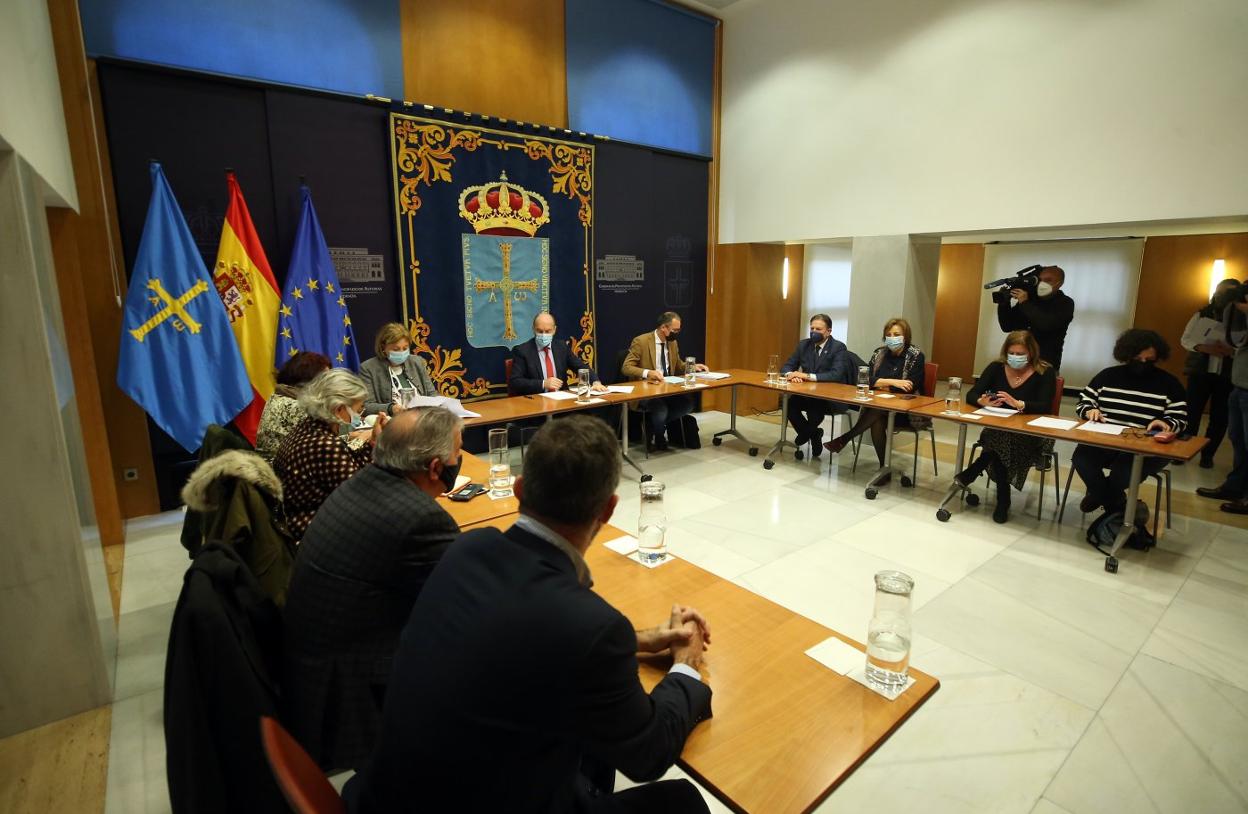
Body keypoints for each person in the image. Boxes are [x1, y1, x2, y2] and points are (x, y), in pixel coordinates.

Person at [346, 416, 713, 813]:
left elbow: (524, 636)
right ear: (608, 509)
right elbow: (648, 755)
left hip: (390, 795)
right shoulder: (592, 626)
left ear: (520, 489)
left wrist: (636, 641)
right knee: (683, 800)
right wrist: (686, 666)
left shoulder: (467, 549)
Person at [283, 407, 462, 771]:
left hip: (311, 665)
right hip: (352, 689)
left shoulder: (363, 482)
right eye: (457, 454)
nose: (458, 461)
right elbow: (465, 601)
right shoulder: (420, 518)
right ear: (434, 468)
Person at [1073, 329, 1187, 524]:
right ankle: (1117, 503)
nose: (1142, 364)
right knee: (1082, 459)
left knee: (1125, 471)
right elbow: (1084, 402)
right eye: (1137, 359)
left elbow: (1180, 418)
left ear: (1157, 357)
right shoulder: (1107, 376)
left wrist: (1166, 423)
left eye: (1149, 360)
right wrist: (1090, 410)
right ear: (1126, 355)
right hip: (1106, 439)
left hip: (1145, 447)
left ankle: (1100, 496)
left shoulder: (1169, 383)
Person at [949, 331, 1058, 523]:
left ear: (1031, 353)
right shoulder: (996, 368)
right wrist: (982, 402)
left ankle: (976, 470)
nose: (1015, 357)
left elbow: (1045, 406)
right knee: (1000, 438)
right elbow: (971, 394)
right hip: (997, 427)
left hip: (1031, 432)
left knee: (999, 442)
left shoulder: (1044, 371)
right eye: (1012, 353)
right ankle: (1002, 499)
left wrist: (1019, 404)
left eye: (1020, 354)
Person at [273, 369, 386, 539]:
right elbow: (362, 494)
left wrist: (373, 442)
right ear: (339, 409)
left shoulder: (309, 427)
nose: (360, 416)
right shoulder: (324, 445)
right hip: (314, 531)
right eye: (358, 409)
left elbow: (350, 466)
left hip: (298, 520)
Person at [823, 318, 928, 478]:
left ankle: (845, 439)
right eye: (889, 335)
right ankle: (884, 468)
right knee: (877, 418)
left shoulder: (916, 356)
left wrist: (881, 384)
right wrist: (892, 382)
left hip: (907, 412)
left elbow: (910, 386)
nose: (892, 337)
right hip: (880, 408)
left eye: (896, 334)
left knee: (877, 412)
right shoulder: (879, 354)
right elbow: (866, 379)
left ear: (905, 336)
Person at [621, 311, 708, 450]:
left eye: (679, 330)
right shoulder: (641, 341)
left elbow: (678, 365)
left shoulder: (672, 343)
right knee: (660, 409)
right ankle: (659, 438)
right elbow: (626, 367)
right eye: (675, 330)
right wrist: (648, 372)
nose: (677, 333)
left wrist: (692, 366)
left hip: (668, 388)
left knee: (687, 405)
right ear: (663, 328)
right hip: (647, 391)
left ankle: (652, 425)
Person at [1180, 278, 1239, 468]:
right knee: (1191, 412)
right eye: (1219, 292)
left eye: (1228, 293)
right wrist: (1203, 347)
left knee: (1220, 417)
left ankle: (1208, 455)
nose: (1221, 296)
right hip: (1200, 372)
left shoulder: (1242, 319)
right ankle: (1182, 450)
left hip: (1228, 374)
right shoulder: (1202, 313)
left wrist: (1232, 351)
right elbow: (1186, 339)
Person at [1196, 296, 1248, 514]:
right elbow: (1235, 336)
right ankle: (1234, 488)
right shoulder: (1237, 312)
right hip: (1239, 385)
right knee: (1238, 441)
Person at [780, 313, 852, 454]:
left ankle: (807, 433)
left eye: (818, 329)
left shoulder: (838, 347)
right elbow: (786, 367)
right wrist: (791, 375)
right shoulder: (804, 345)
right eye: (812, 328)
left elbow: (836, 374)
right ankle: (813, 433)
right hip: (807, 393)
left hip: (830, 397)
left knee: (815, 406)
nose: (814, 332)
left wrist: (806, 376)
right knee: (787, 403)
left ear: (828, 331)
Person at [255, 351, 331, 462]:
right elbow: (326, 446)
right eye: (326, 379)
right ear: (309, 380)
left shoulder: (279, 397)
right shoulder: (298, 407)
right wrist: (355, 438)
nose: (330, 385)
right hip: (283, 469)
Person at [996, 265, 1075, 372]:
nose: (1042, 283)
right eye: (1040, 280)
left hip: (1044, 363)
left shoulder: (1065, 303)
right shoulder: (1030, 299)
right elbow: (1007, 326)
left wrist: (1025, 303)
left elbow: (1046, 324)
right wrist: (1004, 303)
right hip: (1019, 360)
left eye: (1048, 280)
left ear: (1059, 283)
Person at [510, 311, 607, 395]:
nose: (543, 335)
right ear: (533, 329)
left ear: (554, 330)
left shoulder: (561, 347)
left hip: (561, 401)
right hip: (536, 402)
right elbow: (515, 382)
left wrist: (595, 382)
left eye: (548, 331)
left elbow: (580, 367)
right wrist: (543, 383)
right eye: (540, 331)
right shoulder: (522, 351)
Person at [359, 322, 437, 416]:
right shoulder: (368, 368)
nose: (401, 352)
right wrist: (391, 409)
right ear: (383, 347)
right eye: (396, 349)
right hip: (393, 421)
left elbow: (432, 394)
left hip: (422, 417)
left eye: (405, 348)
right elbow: (366, 406)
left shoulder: (417, 362)